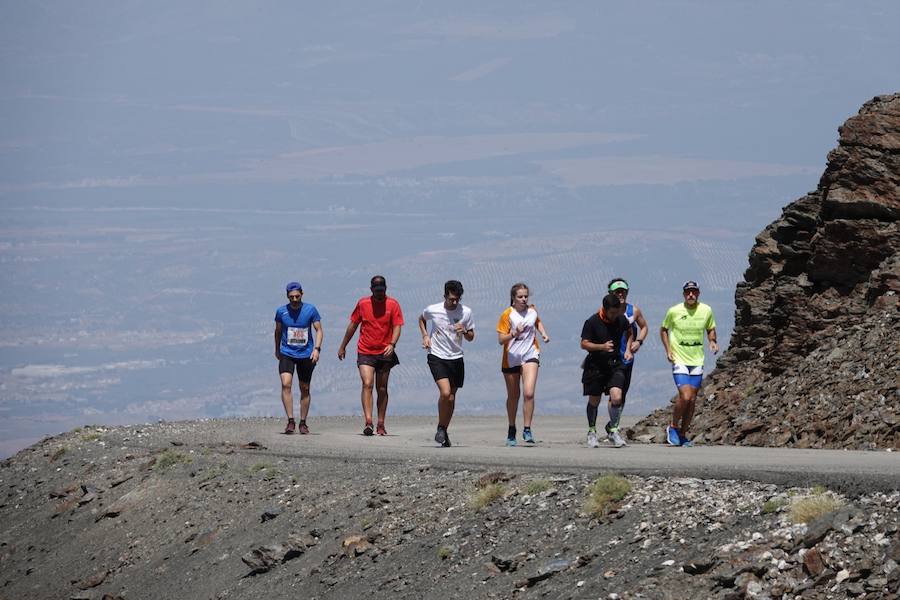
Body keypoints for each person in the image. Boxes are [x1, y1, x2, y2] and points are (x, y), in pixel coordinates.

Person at [337, 275, 404, 436]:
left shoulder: (393, 304)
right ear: (371, 290)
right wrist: (343, 345)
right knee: (367, 383)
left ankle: (381, 423)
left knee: (382, 388)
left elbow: (397, 326)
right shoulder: (363, 303)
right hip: (365, 350)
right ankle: (368, 421)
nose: (379, 293)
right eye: (376, 290)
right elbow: (353, 325)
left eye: (382, 290)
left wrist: (392, 344)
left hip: (385, 351)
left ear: (385, 289)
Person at [659, 281, 719, 447]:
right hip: (680, 358)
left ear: (698, 293)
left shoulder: (706, 310)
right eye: (688, 292)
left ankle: (683, 435)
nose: (691, 295)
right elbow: (663, 329)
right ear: (683, 294)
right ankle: (673, 426)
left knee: (692, 400)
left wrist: (712, 341)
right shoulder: (674, 311)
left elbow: (710, 327)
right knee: (684, 396)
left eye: (694, 292)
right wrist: (668, 350)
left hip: (697, 360)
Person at [418, 280, 475, 448]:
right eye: (451, 299)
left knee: (451, 398)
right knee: (445, 392)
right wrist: (425, 336)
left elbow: (471, 337)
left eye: (457, 299)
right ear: (445, 296)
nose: (455, 302)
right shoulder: (433, 309)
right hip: (437, 355)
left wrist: (464, 331)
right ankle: (442, 429)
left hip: (456, 357)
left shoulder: (466, 312)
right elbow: (421, 319)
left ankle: (442, 429)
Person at [496, 283, 550, 446]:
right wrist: (514, 333)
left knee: (528, 393)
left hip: (530, 354)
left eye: (526, 296)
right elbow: (500, 340)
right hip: (511, 357)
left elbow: (537, 321)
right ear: (513, 298)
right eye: (520, 297)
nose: (523, 299)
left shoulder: (532, 311)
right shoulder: (507, 314)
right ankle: (512, 428)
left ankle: (527, 428)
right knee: (514, 396)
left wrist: (543, 333)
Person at [580, 294, 633, 448]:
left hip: (615, 364)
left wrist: (628, 349)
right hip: (595, 365)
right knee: (594, 401)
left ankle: (613, 431)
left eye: (617, 312)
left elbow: (629, 332)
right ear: (605, 309)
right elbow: (584, 344)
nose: (614, 316)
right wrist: (601, 347)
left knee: (617, 397)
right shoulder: (592, 322)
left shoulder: (621, 319)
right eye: (612, 313)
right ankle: (592, 432)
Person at [274, 281, 323, 434]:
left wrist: (317, 349)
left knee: (304, 388)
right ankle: (290, 421)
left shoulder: (310, 310)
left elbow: (319, 330)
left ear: (302, 294)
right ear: (287, 296)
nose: (294, 299)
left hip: (306, 354)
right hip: (287, 353)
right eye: (291, 297)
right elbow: (277, 331)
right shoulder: (281, 312)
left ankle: (303, 422)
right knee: (286, 384)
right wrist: (277, 349)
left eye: (297, 296)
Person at [606, 278, 649, 440]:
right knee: (614, 395)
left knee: (621, 396)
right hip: (610, 360)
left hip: (627, 359)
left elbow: (644, 326)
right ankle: (613, 428)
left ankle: (612, 425)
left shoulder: (633, 311)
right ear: (611, 294)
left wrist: (639, 342)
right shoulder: (606, 312)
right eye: (617, 292)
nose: (621, 294)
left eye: (623, 291)